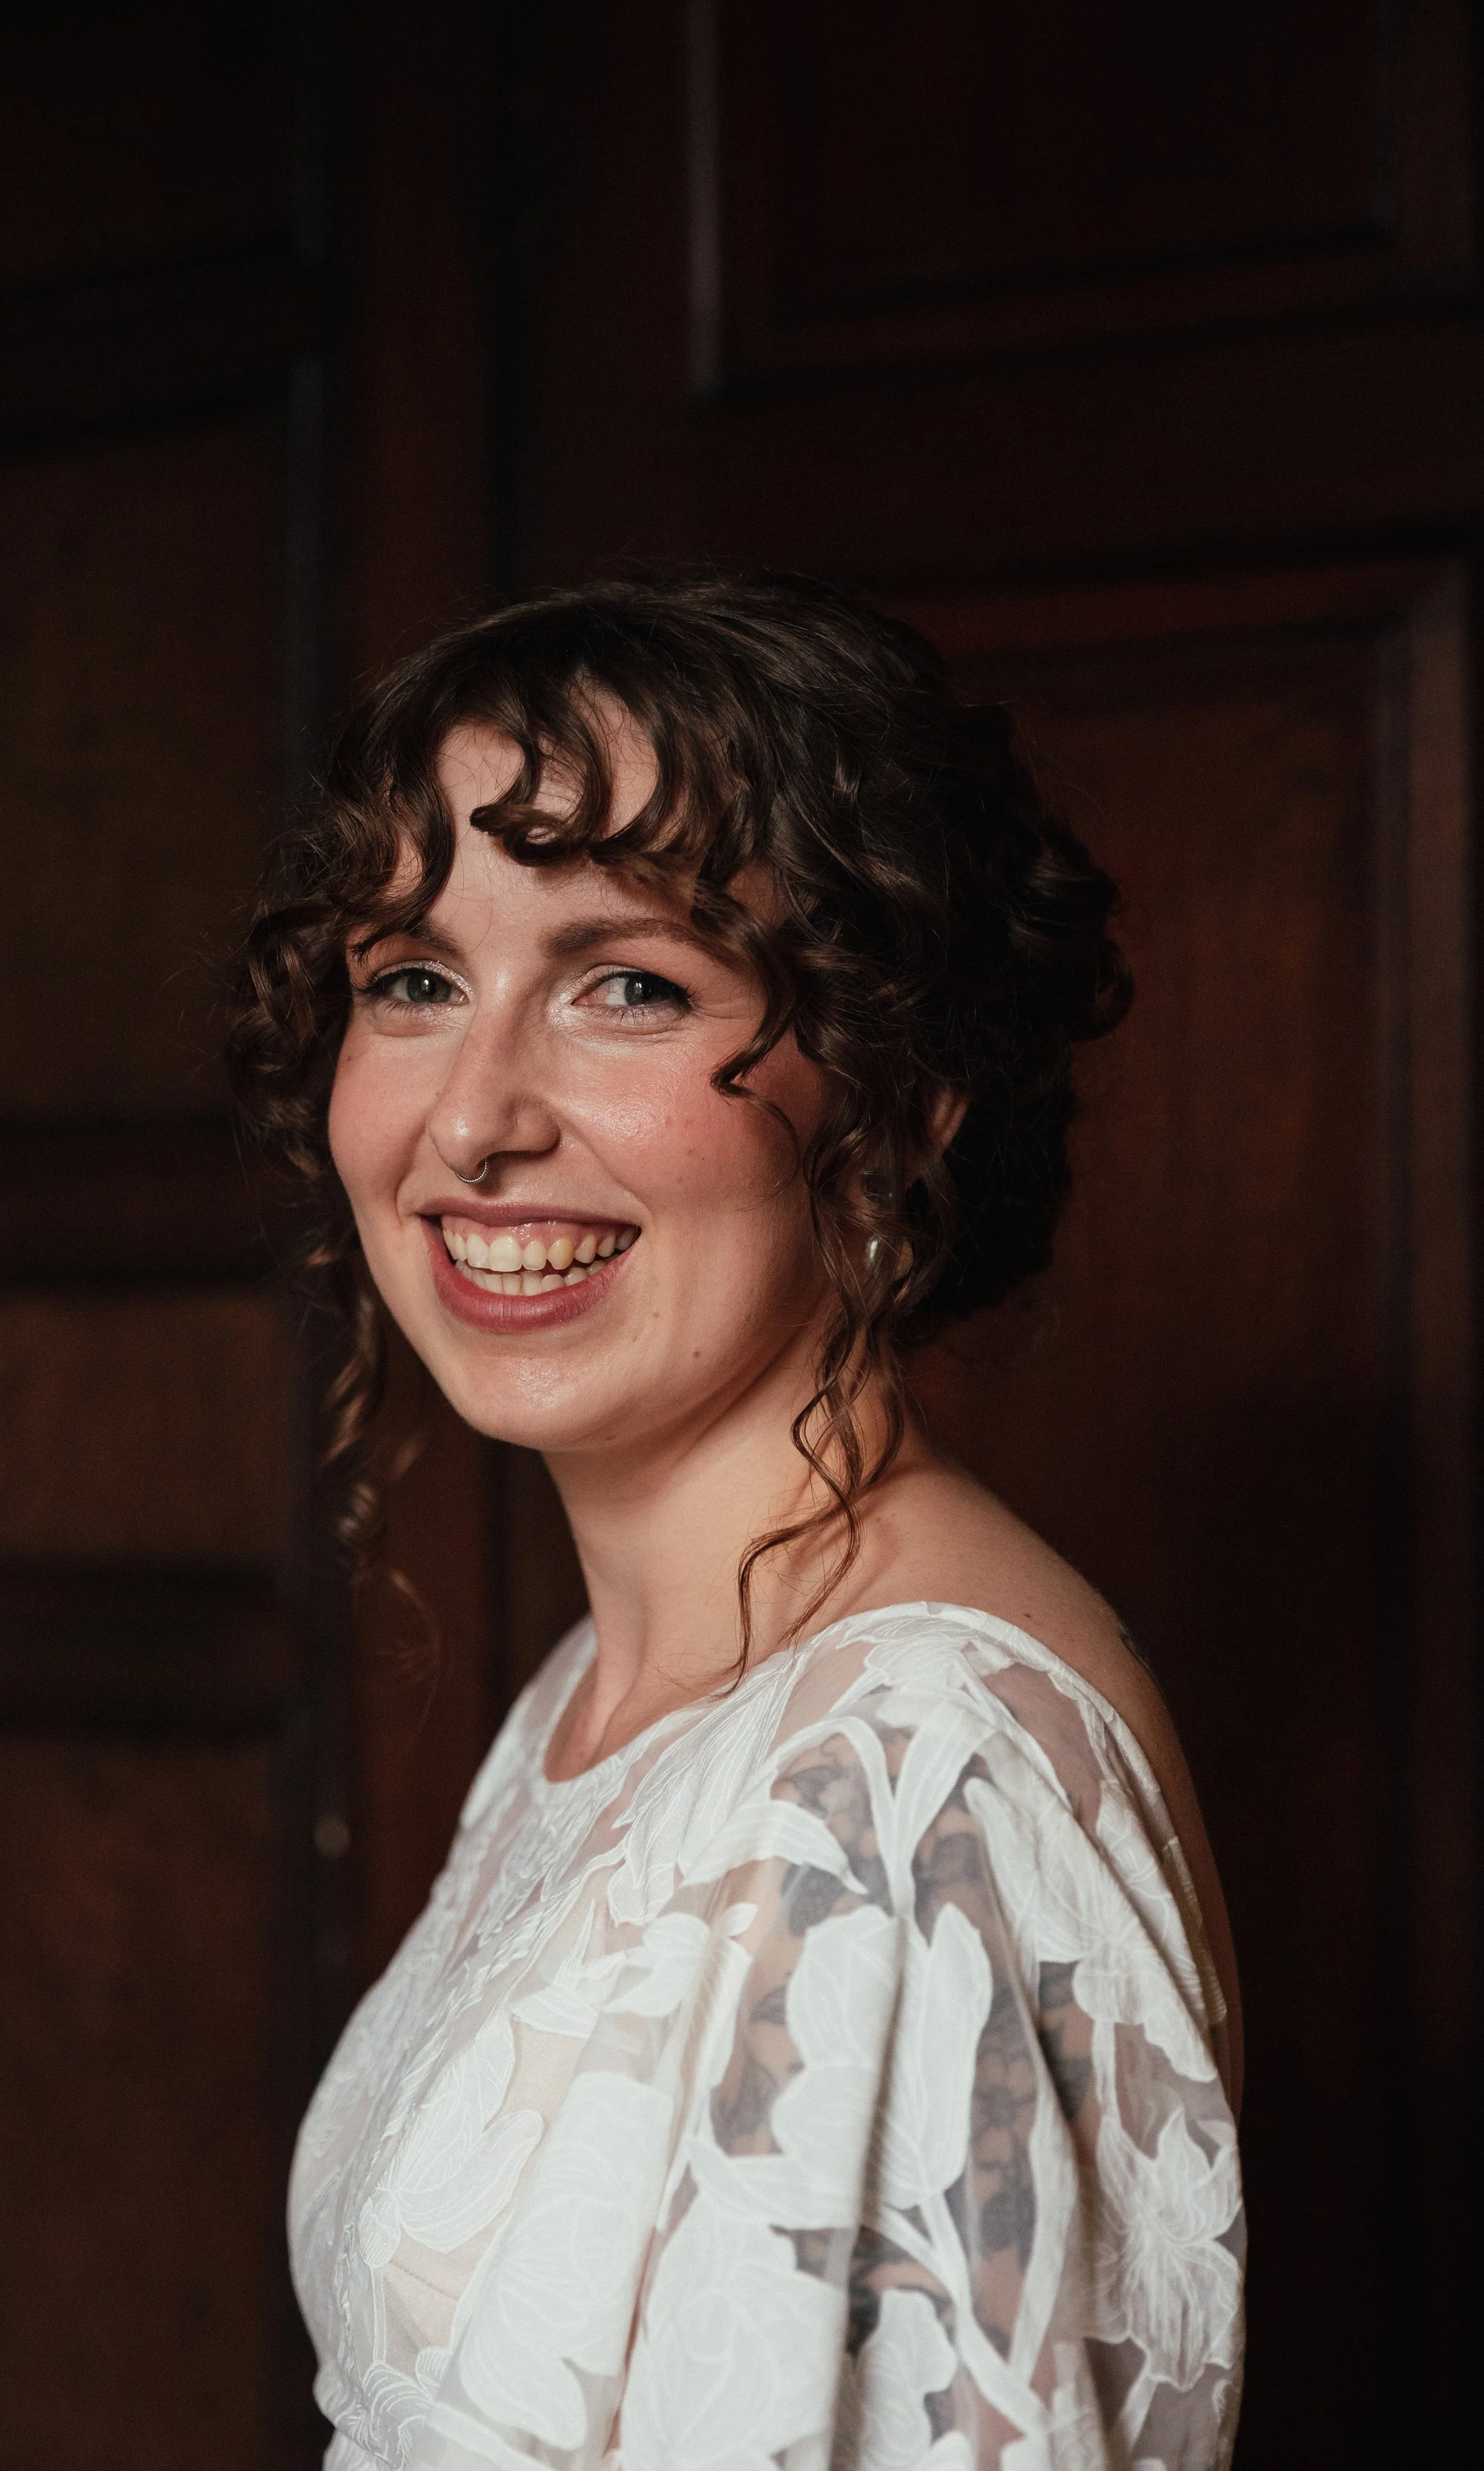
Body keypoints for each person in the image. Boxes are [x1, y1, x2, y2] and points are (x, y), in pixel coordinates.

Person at [229, 574, 1245, 2471]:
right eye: (414, 978)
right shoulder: (610, 1694)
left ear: (896, 1087)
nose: (472, 1125)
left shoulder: (909, 1785)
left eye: (628, 981)